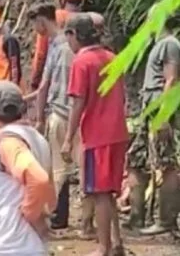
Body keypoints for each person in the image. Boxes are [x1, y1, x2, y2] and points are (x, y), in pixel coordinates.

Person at [27, 4, 95, 236]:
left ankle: (58, 218)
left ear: (42, 21)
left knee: (58, 171)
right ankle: (85, 223)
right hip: (80, 115)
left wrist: (39, 118)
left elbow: (46, 85)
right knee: (84, 170)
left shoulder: (59, 46)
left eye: (35, 23)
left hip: (62, 114)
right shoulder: (76, 48)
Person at [64, 14, 127, 256]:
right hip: (117, 131)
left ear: (74, 35)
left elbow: (78, 103)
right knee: (109, 191)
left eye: (68, 36)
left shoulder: (82, 62)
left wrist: (69, 138)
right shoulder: (112, 57)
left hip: (97, 134)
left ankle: (103, 247)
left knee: (99, 192)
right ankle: (116, 242)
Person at [0, 80, 56, 256]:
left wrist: (30, 214)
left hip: (8, 245)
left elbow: (39, 179)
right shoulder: (36, 137)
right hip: (28, 243)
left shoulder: (7, 143)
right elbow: (50, 192)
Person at [125, 11, 180, 235]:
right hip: (150, 111)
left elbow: (172, 79)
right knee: (136, 159)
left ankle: (166, 220)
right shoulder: (160, 45)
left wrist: (163, 116)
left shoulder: (170, 44)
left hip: (160, 110)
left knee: (166, 165)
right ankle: (136, 216)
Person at [30, 0, 85, 90]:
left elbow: (41, 53)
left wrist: (34, 81)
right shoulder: (85, 21)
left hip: (56, 78)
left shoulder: (54, 18)